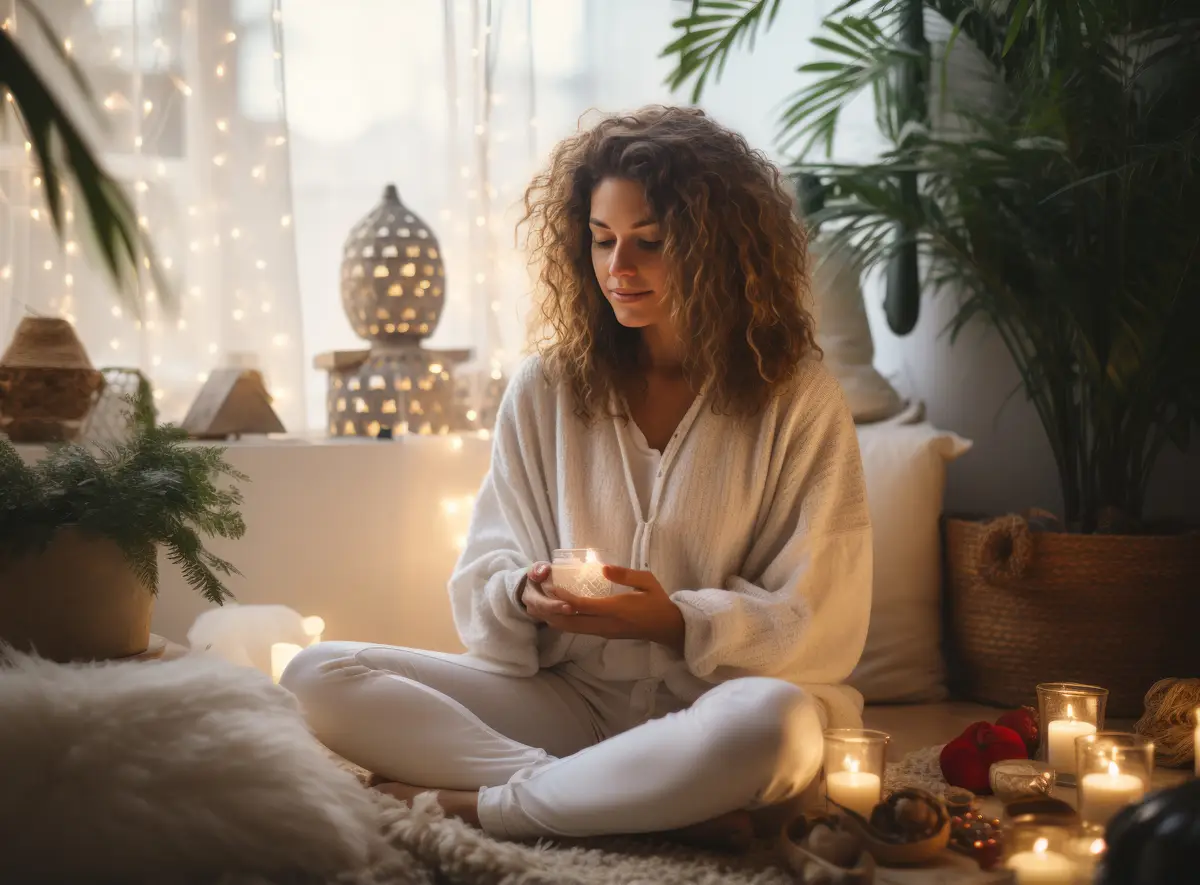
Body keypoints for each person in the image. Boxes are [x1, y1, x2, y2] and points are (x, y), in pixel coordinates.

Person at [282, 105, 872, 848]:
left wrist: (675, 620)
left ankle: (488, 804)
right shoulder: (547, 386)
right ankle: (635, 797)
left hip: (718, 706)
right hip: (568, 704)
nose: (618, 268)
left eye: (650, 244)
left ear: (717, 249)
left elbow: (822, 619)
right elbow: (485, 581)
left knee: (776, 728)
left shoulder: (796, 393)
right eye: (602, 240)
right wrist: (523, 595)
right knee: (314, 675)